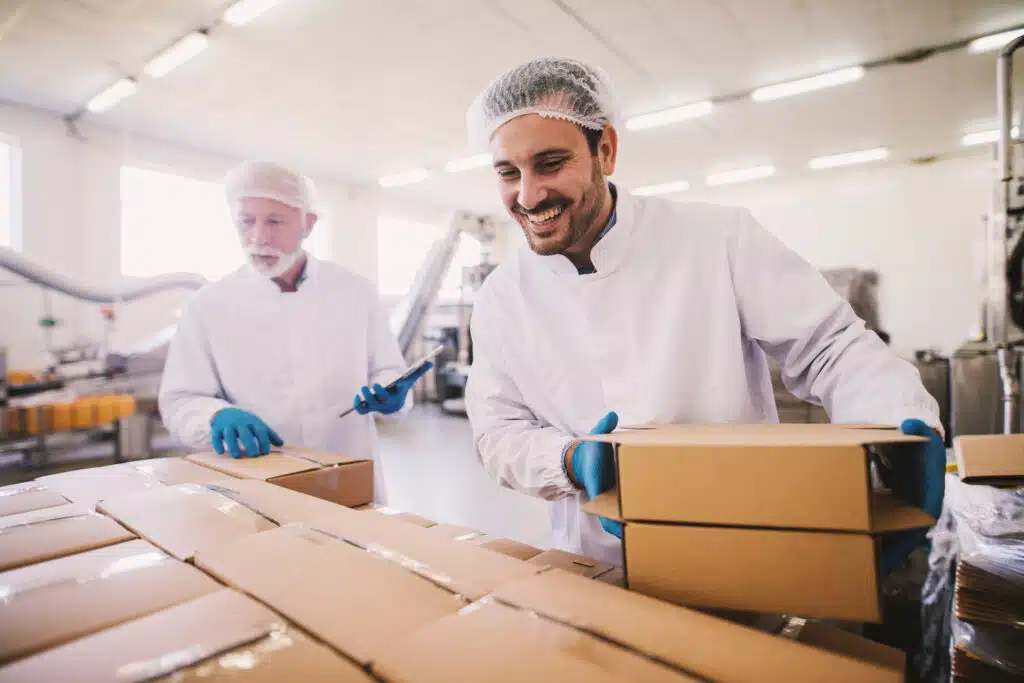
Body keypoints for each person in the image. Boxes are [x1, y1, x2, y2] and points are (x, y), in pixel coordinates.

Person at [463, 57, 946, 567]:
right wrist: (569, 460)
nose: (529, 194)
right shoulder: (502, 297)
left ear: (605, 149)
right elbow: (498, 432)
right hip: (593, 564)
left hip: (742, 546)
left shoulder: (717, 239)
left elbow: (830, 347)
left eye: (551, 163)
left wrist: (900, 425)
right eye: (508, 173)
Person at [158, 161, 429, 502]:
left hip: (348, 476)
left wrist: (393, 395)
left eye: (274, 221)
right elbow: (180, 399)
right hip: (255, 484)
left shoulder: (355, 292)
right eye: (246, 221)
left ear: (308, 224)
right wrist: (214, 416)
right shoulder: (206, 306)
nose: (258, 237)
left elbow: (389, 370)